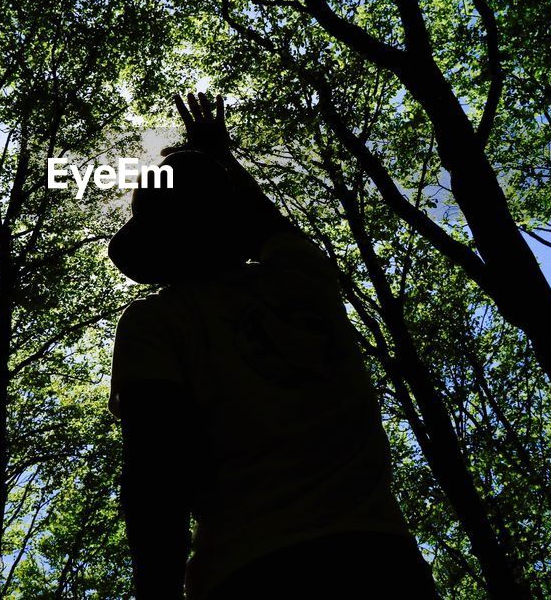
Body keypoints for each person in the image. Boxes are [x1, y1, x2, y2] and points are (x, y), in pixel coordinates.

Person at [107, 92, 438, 599]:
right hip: (384, 562)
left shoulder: (156, 321)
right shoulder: (303, 280)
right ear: (228, 225)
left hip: (247, 571)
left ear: (160, 243)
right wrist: (221, 158)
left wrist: (157, 591)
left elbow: (155, 476)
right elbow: (271, 225)